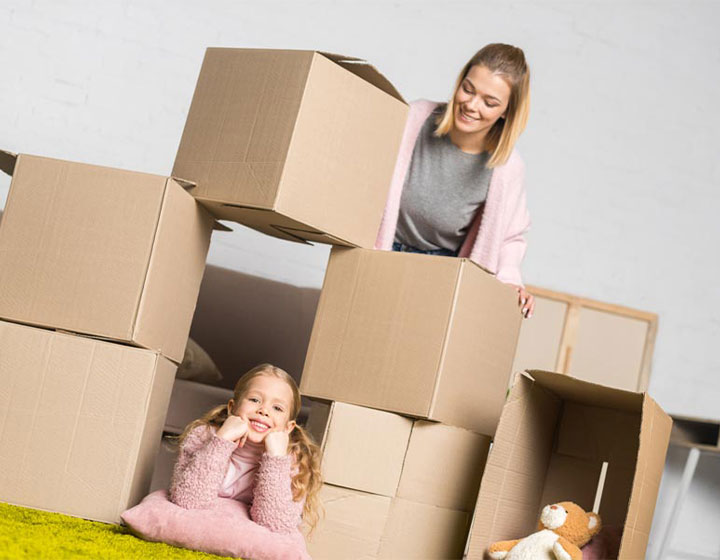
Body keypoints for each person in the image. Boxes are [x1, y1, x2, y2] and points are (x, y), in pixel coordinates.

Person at [375, 43, 536, 318]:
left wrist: (511, 282)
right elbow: (368, 171)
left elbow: (511, 236)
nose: (471, 105)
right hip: (381, 253)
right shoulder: (415, 118)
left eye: (490, 102)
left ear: (507, 111)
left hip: (442, 272)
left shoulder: (507, 167)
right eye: (468, 89)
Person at [169, 363, 322, 547]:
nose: (263, 410)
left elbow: (275, 523)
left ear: (288, 427)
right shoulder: (203, 436)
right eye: (255, 400)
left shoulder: (292, 462)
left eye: (277, 408)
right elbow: (188, 500)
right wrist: (222, 441)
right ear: (233, 407)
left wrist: (275, 459)